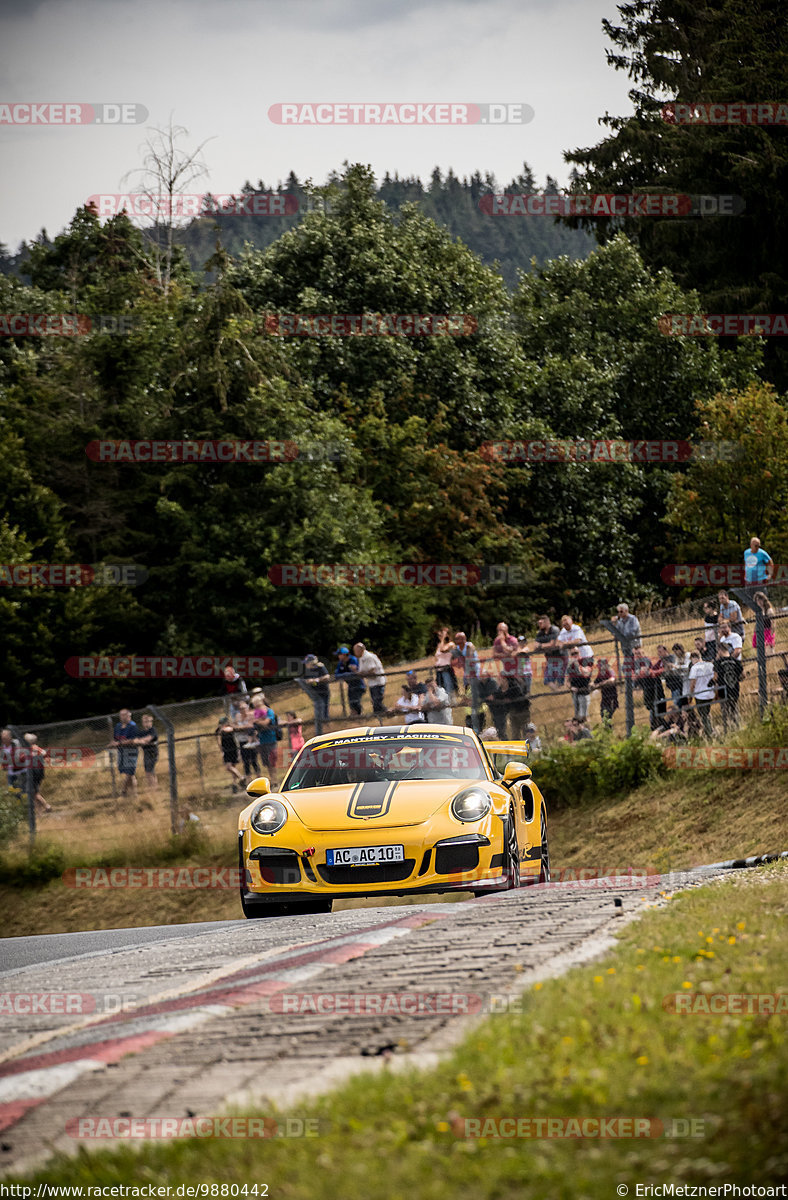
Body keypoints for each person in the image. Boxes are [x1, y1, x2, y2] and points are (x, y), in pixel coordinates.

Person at [715, 644, 744, 731]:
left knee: (725, 711)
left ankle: (727, 729)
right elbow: (743, 675)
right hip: (734, 689)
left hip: (723, 691)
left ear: (720, 651)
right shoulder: (736, 661)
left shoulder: (718, 663)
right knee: (735, 709)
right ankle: (737, 727)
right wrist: (736, 678)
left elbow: (715, 677)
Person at [611, 602, 642, 684]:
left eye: (621, 612)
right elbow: (615, 633)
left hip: (634, 646)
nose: (619, 614)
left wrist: (620, 635)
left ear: (626, 610)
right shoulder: (620, 621)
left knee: (633, 665)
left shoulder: (633, 619)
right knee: (628, 666)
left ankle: (636, 683)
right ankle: (633, 683)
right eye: (618, 612)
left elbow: (631, 633)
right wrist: (614, 624)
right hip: (625, 647)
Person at [353, 642, 387, 715]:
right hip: (372, 683)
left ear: (360, 650)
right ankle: (381, 714)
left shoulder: (368, 657)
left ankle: (384, 714)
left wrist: (360, 674)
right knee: (375, 701)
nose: (355, 653)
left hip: (378, 682)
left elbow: (372, 671)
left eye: (355, 651)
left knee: (377, 701)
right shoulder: (362, 658)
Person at [21, 734, 52, 814]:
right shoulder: (37, 748)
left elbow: (22, 758)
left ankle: (46, 806)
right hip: (40, 772)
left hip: (33, 773)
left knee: (33, 793)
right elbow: (45, 754)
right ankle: (39, 812)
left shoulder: (29, 749)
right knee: (35, 792)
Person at [687, 650, 715, 737]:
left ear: (693, 658)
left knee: (703, 715)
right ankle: (710, 729)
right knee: (706, 712)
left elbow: (692, 684)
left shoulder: (694, 668)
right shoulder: (710, 665)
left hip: (700, 695)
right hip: (710, 693)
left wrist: (690, 697)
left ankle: (710, 733)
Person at [113, 708, 139, 796]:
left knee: (129, 772)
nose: (122, 717)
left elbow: (132, 739)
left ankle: (123, 791)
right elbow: (115, 738)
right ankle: (134, 794)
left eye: (124, 715)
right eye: (121, 715)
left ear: (129, 715)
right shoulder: (118, 726)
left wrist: (119, 743)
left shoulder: (133, 726)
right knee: (130, 775)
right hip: (121, 752)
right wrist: (114, 743)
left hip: (131, 751)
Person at [254, 696, 280, 786]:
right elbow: (256, 722)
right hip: (262, 740)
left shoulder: (269, 711)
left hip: (271, 739)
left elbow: (266, 723)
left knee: (272, 761)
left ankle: (275, 780)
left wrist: (258, 721)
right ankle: (272, 780)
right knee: (267, 762)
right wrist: (259, 721)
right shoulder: (256, 712)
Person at [233, 702, 260, 786]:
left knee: (254, 760)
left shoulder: (250, 715)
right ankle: (249, 780)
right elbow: (235, 726)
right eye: (241, 708)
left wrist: (241, 727)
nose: (243, 710)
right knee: (245, 761)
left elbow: (250, 726)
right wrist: (243, 727)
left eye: (244, 708)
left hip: (252, 742)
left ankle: (259, 778)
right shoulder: (238, 716)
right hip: (242, 741)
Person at [534, 615, 564, 688]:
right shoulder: (540, 633)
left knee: (560, 682)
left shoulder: (555, 630)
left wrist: (541, 646)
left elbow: (553, 644)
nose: (539, 625)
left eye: (541, 623)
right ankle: (557, 693)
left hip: (560, 658)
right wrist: (545, 646)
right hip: (549, 659)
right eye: (539, 623)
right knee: (548, 681)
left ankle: (559, 694)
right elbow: (535, 646)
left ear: (547, 622)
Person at [216, 714, 244, 792]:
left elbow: (234, 732)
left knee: (231, 766)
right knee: (230, 767)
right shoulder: (219, 730)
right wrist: (221, 750)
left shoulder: (231, 728)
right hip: (226, 750)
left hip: (233, 748)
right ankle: (237, 782)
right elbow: (218, 741)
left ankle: (239, 780)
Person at [335, 646, 366, 716]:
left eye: (339, 654)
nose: (338, 656)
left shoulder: (353, 660)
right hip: (351, 685)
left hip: (359, 685)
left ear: (344, 654)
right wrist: (346, 675)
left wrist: (343, 675)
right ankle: (355, 715)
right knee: (351, 701)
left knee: (356, 701)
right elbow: (336, 675)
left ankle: (359, 715)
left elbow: (354, 674)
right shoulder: (341, 663)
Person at [135, 712, 159, 793]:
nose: (147, 723)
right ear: (142, 723)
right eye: (145, 721)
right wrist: (140, 741)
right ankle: (155, 788)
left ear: (151, 722)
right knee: (150, 771)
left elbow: (149, 738)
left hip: (152, 753)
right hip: (146, 753)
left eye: (149, 721)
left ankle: (153, 790)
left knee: (148, 772)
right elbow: (136, 740)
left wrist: (141, 741)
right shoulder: (141, 732)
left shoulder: (153, 730)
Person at [743, 536, 773, 600]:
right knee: (749, 599)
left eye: (759, 546)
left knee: (762, 599)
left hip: (760, 580)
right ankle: (751, 610)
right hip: (748, 580)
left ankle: (764, 610)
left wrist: (770, 574)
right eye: (756, 546)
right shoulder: (746, 552)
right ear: (751, 545)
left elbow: (770, 562)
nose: (757, 547)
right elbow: (746, 564)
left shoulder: (762, 553)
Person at [566, 648, 593, 720]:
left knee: (584, 716)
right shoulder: (570, 666)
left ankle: (587, 729)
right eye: (572, 654)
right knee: (577, 716)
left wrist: (577, 664)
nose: (575, 655)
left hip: (583, 691)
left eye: (576, 653)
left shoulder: (585, 661)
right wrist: (571, 687)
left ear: (579, 652)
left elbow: (586, 673)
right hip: (575, 693)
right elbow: (567, 681)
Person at [302, 655, 330, 722]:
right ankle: (320, 721)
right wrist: (309, 682)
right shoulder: (307, 671)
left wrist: (316, 680)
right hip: (315, 693)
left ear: (311, 662)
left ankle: (325, 722)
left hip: (324, 691)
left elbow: (327, 676)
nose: (306, 664)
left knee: (324, 707)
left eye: (307, 662)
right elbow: (306, 680)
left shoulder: (320, 667)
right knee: (318, 708)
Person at [434, 628, 457, 696]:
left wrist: (443, 638)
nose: (440, 636)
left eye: (441, 634)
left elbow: (442, 650)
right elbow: (436, 656)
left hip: (446, 670)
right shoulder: (439, 644)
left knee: (448, 688)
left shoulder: (451, 644)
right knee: (440, 689)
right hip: (439, 670)